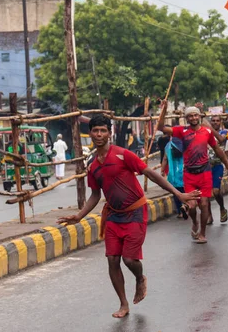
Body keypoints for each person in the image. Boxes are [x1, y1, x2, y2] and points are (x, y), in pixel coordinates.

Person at [57, 115, 199, 319]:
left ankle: (140, 277)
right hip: (114, 216)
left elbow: (151, 173)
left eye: (103, 130)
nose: (99, 134)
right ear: (91, 134)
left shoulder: (124, 155)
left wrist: (179, 194)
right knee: (112, 259)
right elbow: (96, 195)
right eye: (95, 130)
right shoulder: (93, 166)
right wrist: (79, 216)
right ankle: (123, 304)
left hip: (135, 212)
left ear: (109, 133)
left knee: (129, 259)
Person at [157, 104, 228, 244]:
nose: (193, 118)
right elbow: (160, 127)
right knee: (192, 206)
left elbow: (217, 149)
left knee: (204, 204)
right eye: (190, 116)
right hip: (189, 174)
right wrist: (163, 110)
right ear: (187, 118)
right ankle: (194, 222)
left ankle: (203, 234)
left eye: (195, 115)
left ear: (199, 116)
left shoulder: (207, 131)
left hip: (204, 172)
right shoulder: (182, 131)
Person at [207, 115, 228, 224]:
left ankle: (222, 208)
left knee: (216, 191)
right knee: (205, 194)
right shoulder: (205, 132)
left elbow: (221, 140)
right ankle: (209, 216)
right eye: (213, 121)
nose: (215, 122)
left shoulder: (224, 132)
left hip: (218, 165)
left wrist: (209, 129)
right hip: (205, 167)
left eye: (217, 121)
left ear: (220, 122)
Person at [161, 135, 186, 219]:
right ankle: (186, 207)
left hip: (173, 175)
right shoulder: (184, 143)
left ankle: (180, 212)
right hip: (184, 173)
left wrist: (162, 171)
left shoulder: (168, 146)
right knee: (186, 191)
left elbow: (165, 159)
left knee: (176, 193)